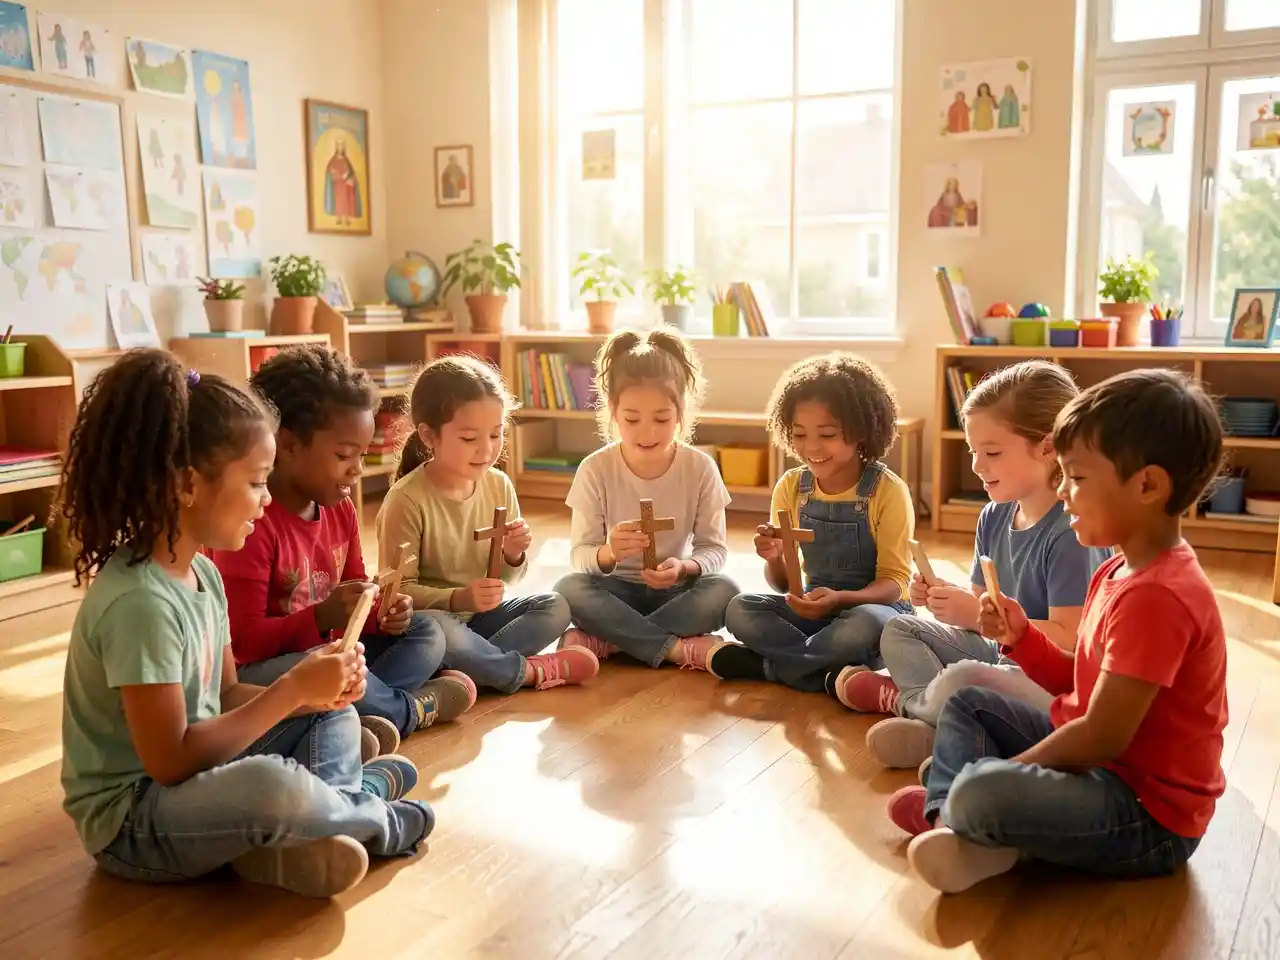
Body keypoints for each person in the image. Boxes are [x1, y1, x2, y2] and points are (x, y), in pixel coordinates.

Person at [59, 350, 432, 899]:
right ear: (187, 485)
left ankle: (291, 835)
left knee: (333, 718)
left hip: (201, 781)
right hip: (137, 822)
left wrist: (313, 696)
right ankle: (368, 811)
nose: (265, 501)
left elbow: (228, 691)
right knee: (268, 784)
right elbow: (170, 761)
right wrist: (287, 693)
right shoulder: (139, 603)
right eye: (257, 483)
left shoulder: (202, 573)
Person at [890, 369, 1228, 895]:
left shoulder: (1159, 595)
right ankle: (955, 821)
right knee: (968, 704)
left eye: (1078, 478)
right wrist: (1023, 639)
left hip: (1146, 814)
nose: (1063, 493)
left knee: (984, 786)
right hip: (1102, 766)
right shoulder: (1117, 570)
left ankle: (965, 810)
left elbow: (1101, 735)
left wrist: (1010, 772)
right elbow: (1081, 682)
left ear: (1148, 485)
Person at [210, 345, 472, 763]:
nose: (356, 470)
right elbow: (242, 644)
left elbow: (355, 588)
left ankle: (351, 714)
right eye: (343, 455)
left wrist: (382, 613)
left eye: (362, 455)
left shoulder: (340, 506)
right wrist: (318, 618)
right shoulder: (251, 523)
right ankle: (410, 710)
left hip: (335, 655)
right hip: (273, 671)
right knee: (332, 666)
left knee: (427, 633)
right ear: (289, 446)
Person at [849, 362, 1109, 780]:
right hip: (997, 655)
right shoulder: (993, 515)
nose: (976, 466)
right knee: (900, 629)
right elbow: (979, 606)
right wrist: (943, 595)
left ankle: (918, 710)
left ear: (1046, 448)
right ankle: (941, 725)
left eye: (991, 453)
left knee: (965, 678)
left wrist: (974, 615)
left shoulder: (1071, 532)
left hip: (1049, 678)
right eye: (973, 451)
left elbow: (1072, 641)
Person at [377, 355, 591, 694]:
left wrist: (512, 556)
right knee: (437, 630)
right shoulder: (406, 500)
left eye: (496, 434)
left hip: (479, 621)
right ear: (429, 436)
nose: (487, 449)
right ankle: (522, 672)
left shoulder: (499, 485)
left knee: (556, 606)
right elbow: (398, 594)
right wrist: (458, 597)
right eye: (469, 439)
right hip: (435, 622)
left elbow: (505, 581)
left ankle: (469, 664)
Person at [710, 354, 914, 690]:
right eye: (800, 434)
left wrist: (839, 599)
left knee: (861, 626)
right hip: (812, 611)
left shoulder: (887, 491)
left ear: (861, 431)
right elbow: (781, 585)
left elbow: (894, 584)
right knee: (739, 609)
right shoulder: (791, 486)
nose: (811, 447)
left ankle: (771, 669)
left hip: (874, 610)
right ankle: (825, 672)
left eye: (828, 434)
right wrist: (775, 556)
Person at [555, 329, 738, 671]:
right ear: (613, 411)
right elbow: (580, 554)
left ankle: (610, 641)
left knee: (725, 589)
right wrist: (608, 552)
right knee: (568, 588)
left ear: (682, 411)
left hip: (675, 592)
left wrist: (684, 568)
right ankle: (676, 649)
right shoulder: (595, 469)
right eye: (632, 419)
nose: (647, 432)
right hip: (614, 592)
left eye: (662, 419)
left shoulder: (701, 468)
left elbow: (715, 549)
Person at [324, 137, 362, 225]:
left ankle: (346, 219)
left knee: (346, 201)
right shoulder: (333, 160)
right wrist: (338, 175)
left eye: (342, 147)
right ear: (337, 148)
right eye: (339, 147)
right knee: (339, 202)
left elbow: (351, 171)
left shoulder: (346, 160)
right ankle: (339, 218)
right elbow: (330, 170)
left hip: (345, 185)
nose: (340, 149)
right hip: (337, 185)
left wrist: (348, 176)